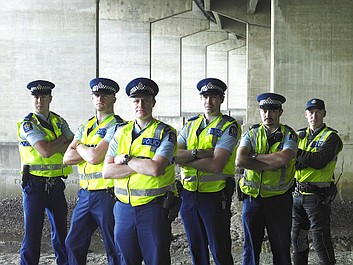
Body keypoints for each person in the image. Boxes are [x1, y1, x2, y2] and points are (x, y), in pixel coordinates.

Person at [102, 77, 178, 265]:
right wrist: (139, 165)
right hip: (123, 209)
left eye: (145, 100)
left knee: (157, 259)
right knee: (127, 260)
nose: (140, 105)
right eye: (136, 101)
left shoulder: (166, 133)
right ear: (131, 103)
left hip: (153, 208)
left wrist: (126, 159)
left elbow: (155, 169)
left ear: (153, 102)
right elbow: (107, 171)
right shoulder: (120, 132)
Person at [175, 78, 241, 265]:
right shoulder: (191, 124)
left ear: (221, 99)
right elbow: (174, 155)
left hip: (214, 196)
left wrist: (186, 160)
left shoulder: (229, 126)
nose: (208, 101)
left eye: (213, 97)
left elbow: (216, 165)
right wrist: (199, 153)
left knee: (219, 248)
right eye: (205, 97)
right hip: (188, 194)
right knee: (196, 248)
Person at [63, 78, 123, 265]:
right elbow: (66, 158)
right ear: (92, 98)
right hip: (85, 195)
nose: (100, 98)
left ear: (114, 98)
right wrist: (87, 148)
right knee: (73, 243)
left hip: (107, 194)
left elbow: (95, 157)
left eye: (105, 95)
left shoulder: (118, 126)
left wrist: (79, 145)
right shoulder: (85, 126)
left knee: (113, 246)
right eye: (96, 95)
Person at [236, 92, 298, 265]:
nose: (267, 114)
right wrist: (271, 162)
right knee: (250, 250)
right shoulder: (252, 133)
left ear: (280, 112)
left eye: (272, 110)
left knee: (281, 248)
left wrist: (254, 157)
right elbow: (240, 160)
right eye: (264, 110)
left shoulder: (290, 135)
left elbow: (284, 158)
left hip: (279, 201)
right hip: (252, 200)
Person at [17, 80, 74, 265]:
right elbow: (45, 151)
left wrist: (57, 143)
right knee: (32, 235)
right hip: (34, 185)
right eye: (35, 97)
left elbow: (72, 146)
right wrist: (61, 140)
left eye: (43, 97)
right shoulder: (27, 124)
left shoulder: (59, 120)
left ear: (50, 98)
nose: (39, 100)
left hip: (56, 185)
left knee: (61, 234)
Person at [291, 98, 343, 265]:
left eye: (318, 112)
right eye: (311, 112)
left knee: (320, 238)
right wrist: (307, 158)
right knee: (297, 238)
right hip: (297, 195)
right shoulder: (299, 135)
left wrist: (296, 153)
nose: (314, 115)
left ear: (324, 114)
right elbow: (290, 162)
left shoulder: (332, 137)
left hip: (317, 197)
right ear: (306, 115)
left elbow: (320, 161)